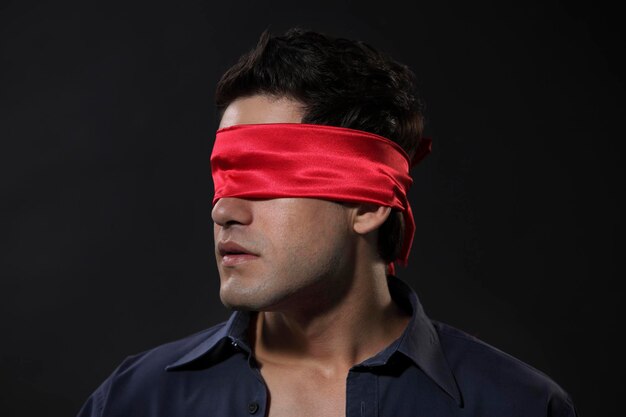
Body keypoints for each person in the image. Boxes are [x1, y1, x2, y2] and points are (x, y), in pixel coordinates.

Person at [77, 27, 578, 417]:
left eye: (267, 177)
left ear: (369, 205)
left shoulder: (518, 405)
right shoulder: (134, 400)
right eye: (224, 180)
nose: (223, 210)